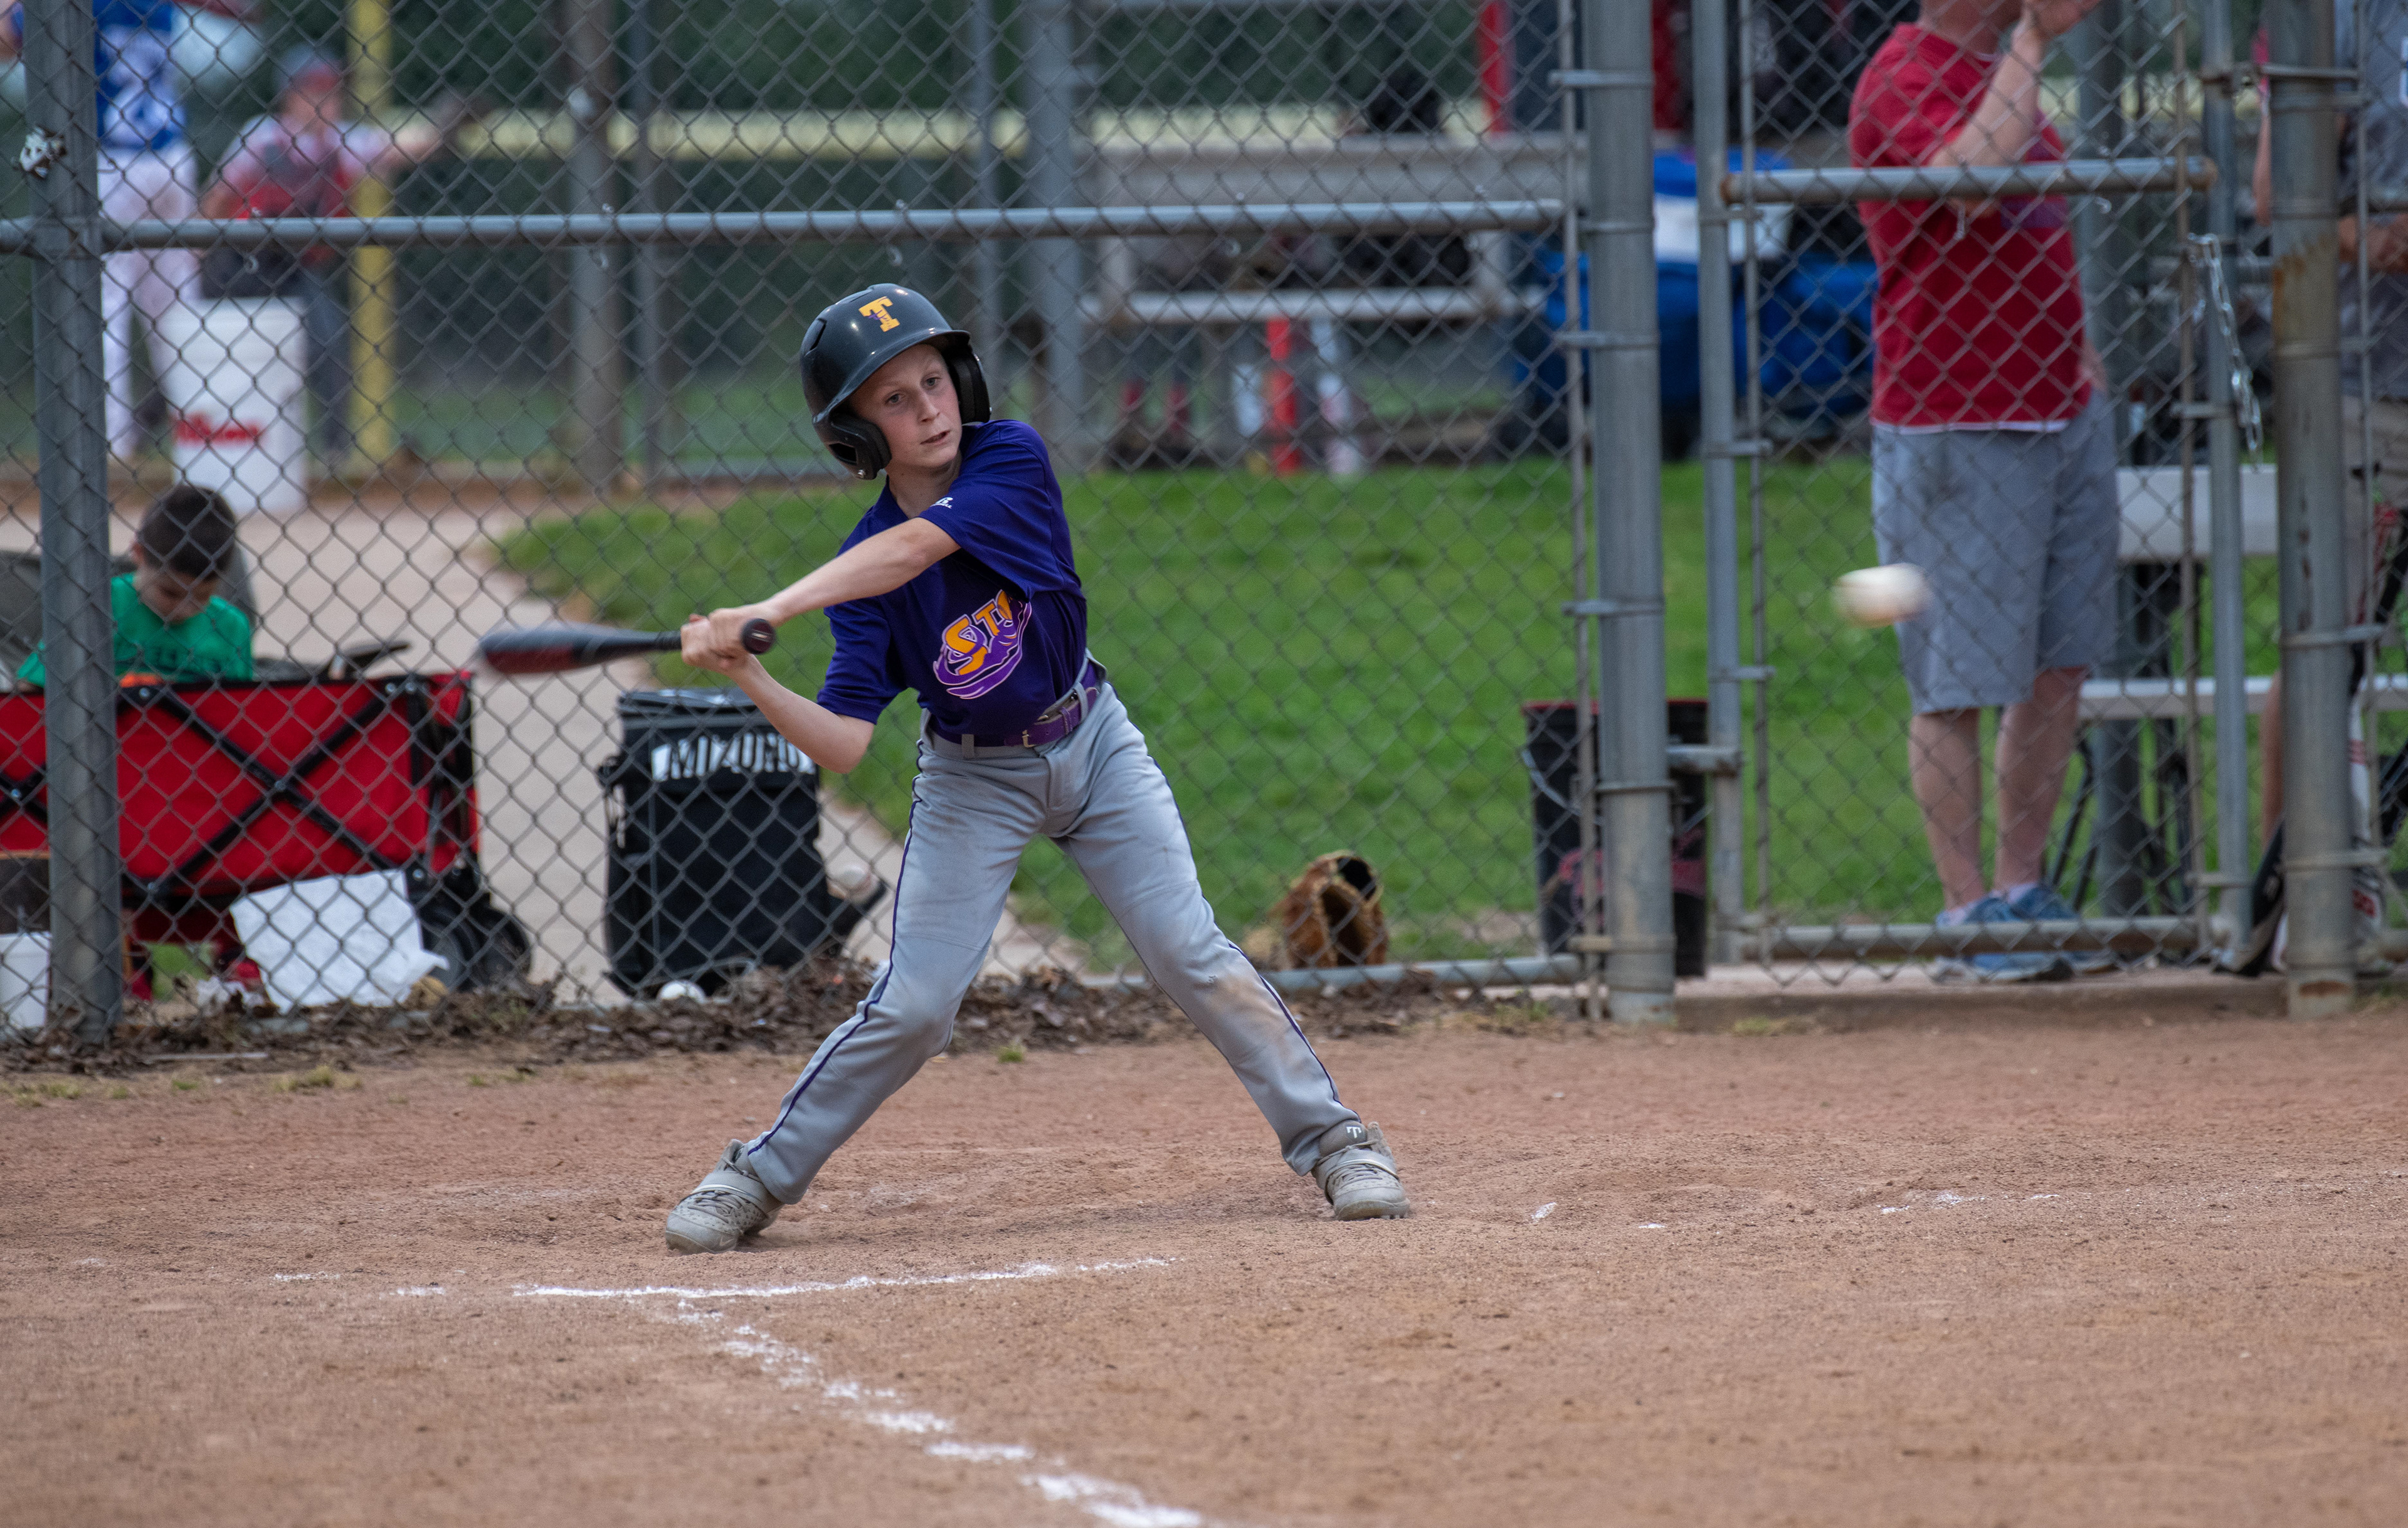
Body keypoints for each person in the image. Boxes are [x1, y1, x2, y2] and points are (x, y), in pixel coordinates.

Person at [660, 284, 1410, 1253]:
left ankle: (1338, 1143)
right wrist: (751, 672)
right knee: (915, 1007)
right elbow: (844, 741)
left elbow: (917, 548)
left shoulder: (1008, 459)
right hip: (972, 781)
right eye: (895, 399)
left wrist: (772, 606)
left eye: (934, 381)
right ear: (857, 431)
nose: (928, 409)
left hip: (1094, 744)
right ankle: (756, 1175)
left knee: (1189, 952)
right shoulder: (859, 576)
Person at [1848, 0, 2119, 981]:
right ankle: (1968, 914)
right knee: (1957, 681)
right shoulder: (1905, 72)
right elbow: (1972, 184)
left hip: (2058, 408)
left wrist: (2081, 362)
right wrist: (2034, 41)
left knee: (2058, 667)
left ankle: (2021, 892)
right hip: (1956, 419)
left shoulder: (1999, 70)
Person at [2251, 1, 2407, 953]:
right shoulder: (2338, 19)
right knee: (2328, 642)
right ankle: (2302, 907)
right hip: (2365, 378)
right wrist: (2372, 237)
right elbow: (2279, 197)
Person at [1, 0, 257, 463]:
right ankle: (204, 444)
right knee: (179, 312)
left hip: (109, 159)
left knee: (102, 309)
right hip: (170, 157)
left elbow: (8, 40)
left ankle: (110, 449)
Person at [200, 46, 459, 464]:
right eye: (315, 91)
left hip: (296, 270)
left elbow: (397, 148)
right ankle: (147, 429)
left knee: (329, 347)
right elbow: (218, 197)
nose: (327, 102)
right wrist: (198, 255)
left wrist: (444, 129)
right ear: (290, 96)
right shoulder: (262, 136)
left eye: (333, 92)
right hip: (239, 265)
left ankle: (336, 453)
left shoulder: (341, 141)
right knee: (198, 344)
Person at [17, 483, 253, 686]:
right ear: (139, 552)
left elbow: (240, 708)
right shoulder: (98, 606)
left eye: (202, 597)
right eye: (170, 594)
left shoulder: (231, 627)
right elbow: (30, 689)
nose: (185, 610)